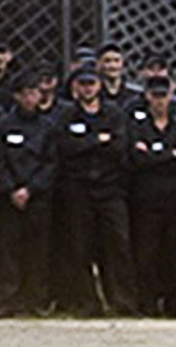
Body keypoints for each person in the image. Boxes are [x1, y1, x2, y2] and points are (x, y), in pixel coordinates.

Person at [53, 64, 135, 315]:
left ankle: (122, 302)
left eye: (91, 83)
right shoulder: (66, 115)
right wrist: (97, 140)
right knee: (80, 247)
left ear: (99, 85)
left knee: (118, 245)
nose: (87, 88)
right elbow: (66, 148)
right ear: (75, 87)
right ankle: (87, 302)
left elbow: (119, 147)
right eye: (82, 84)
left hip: (110, 189)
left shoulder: (114, 114)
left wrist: (86, 143)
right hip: (77, 189)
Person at [126, 73, 176, 316]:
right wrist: (170, 155)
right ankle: (147, 302)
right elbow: (136, 161)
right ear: (147, 97)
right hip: (146, 199)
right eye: (155, 96)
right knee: (146, 253)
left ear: (171, 97)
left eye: (163, 96)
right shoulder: (137, 126)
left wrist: (154, 156)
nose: (159, 101)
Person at [0, 70, 55, 314]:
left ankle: (35, 300)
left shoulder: (48, 127)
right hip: (9, 197)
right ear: (16, 96)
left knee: (37, 250)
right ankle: (7, 299)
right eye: (25, 93)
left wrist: (31, 188)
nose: (30, 98)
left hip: (38, 197)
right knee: (8, 250)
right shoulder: (3, 124)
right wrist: (12, 189)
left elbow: (51, 162)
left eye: (34, 93)